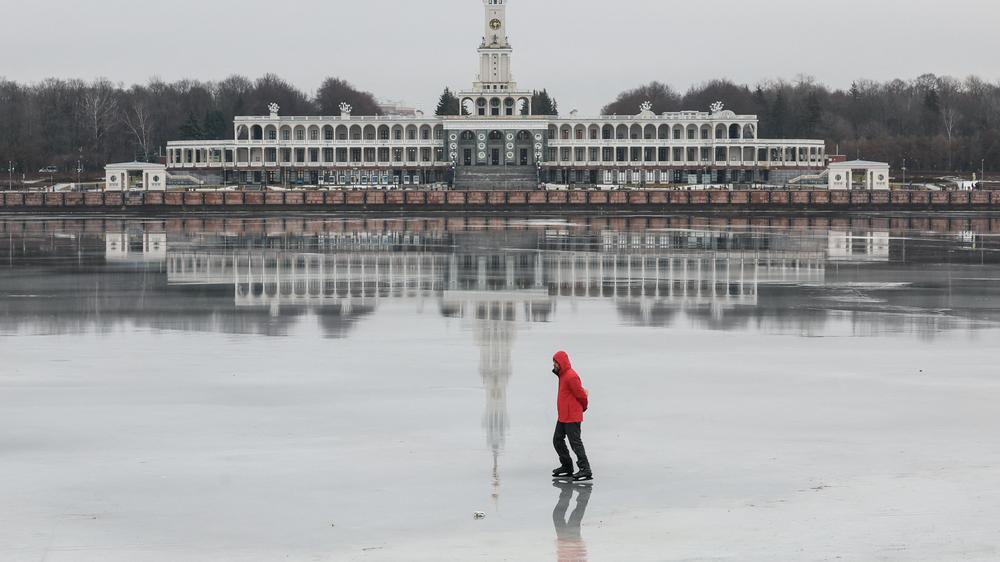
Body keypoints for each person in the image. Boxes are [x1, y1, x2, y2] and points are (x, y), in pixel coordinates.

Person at [551, 351, 592, 482]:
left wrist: (583, 407)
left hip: (572, 416)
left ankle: (585, 468)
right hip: (563, 415)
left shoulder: (571, 376)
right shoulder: (563, 375)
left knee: (575, 443)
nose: (554, 365)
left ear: (561, 363)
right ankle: (567, 466)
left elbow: (581, 395)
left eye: (555, 362)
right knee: (557, 440)